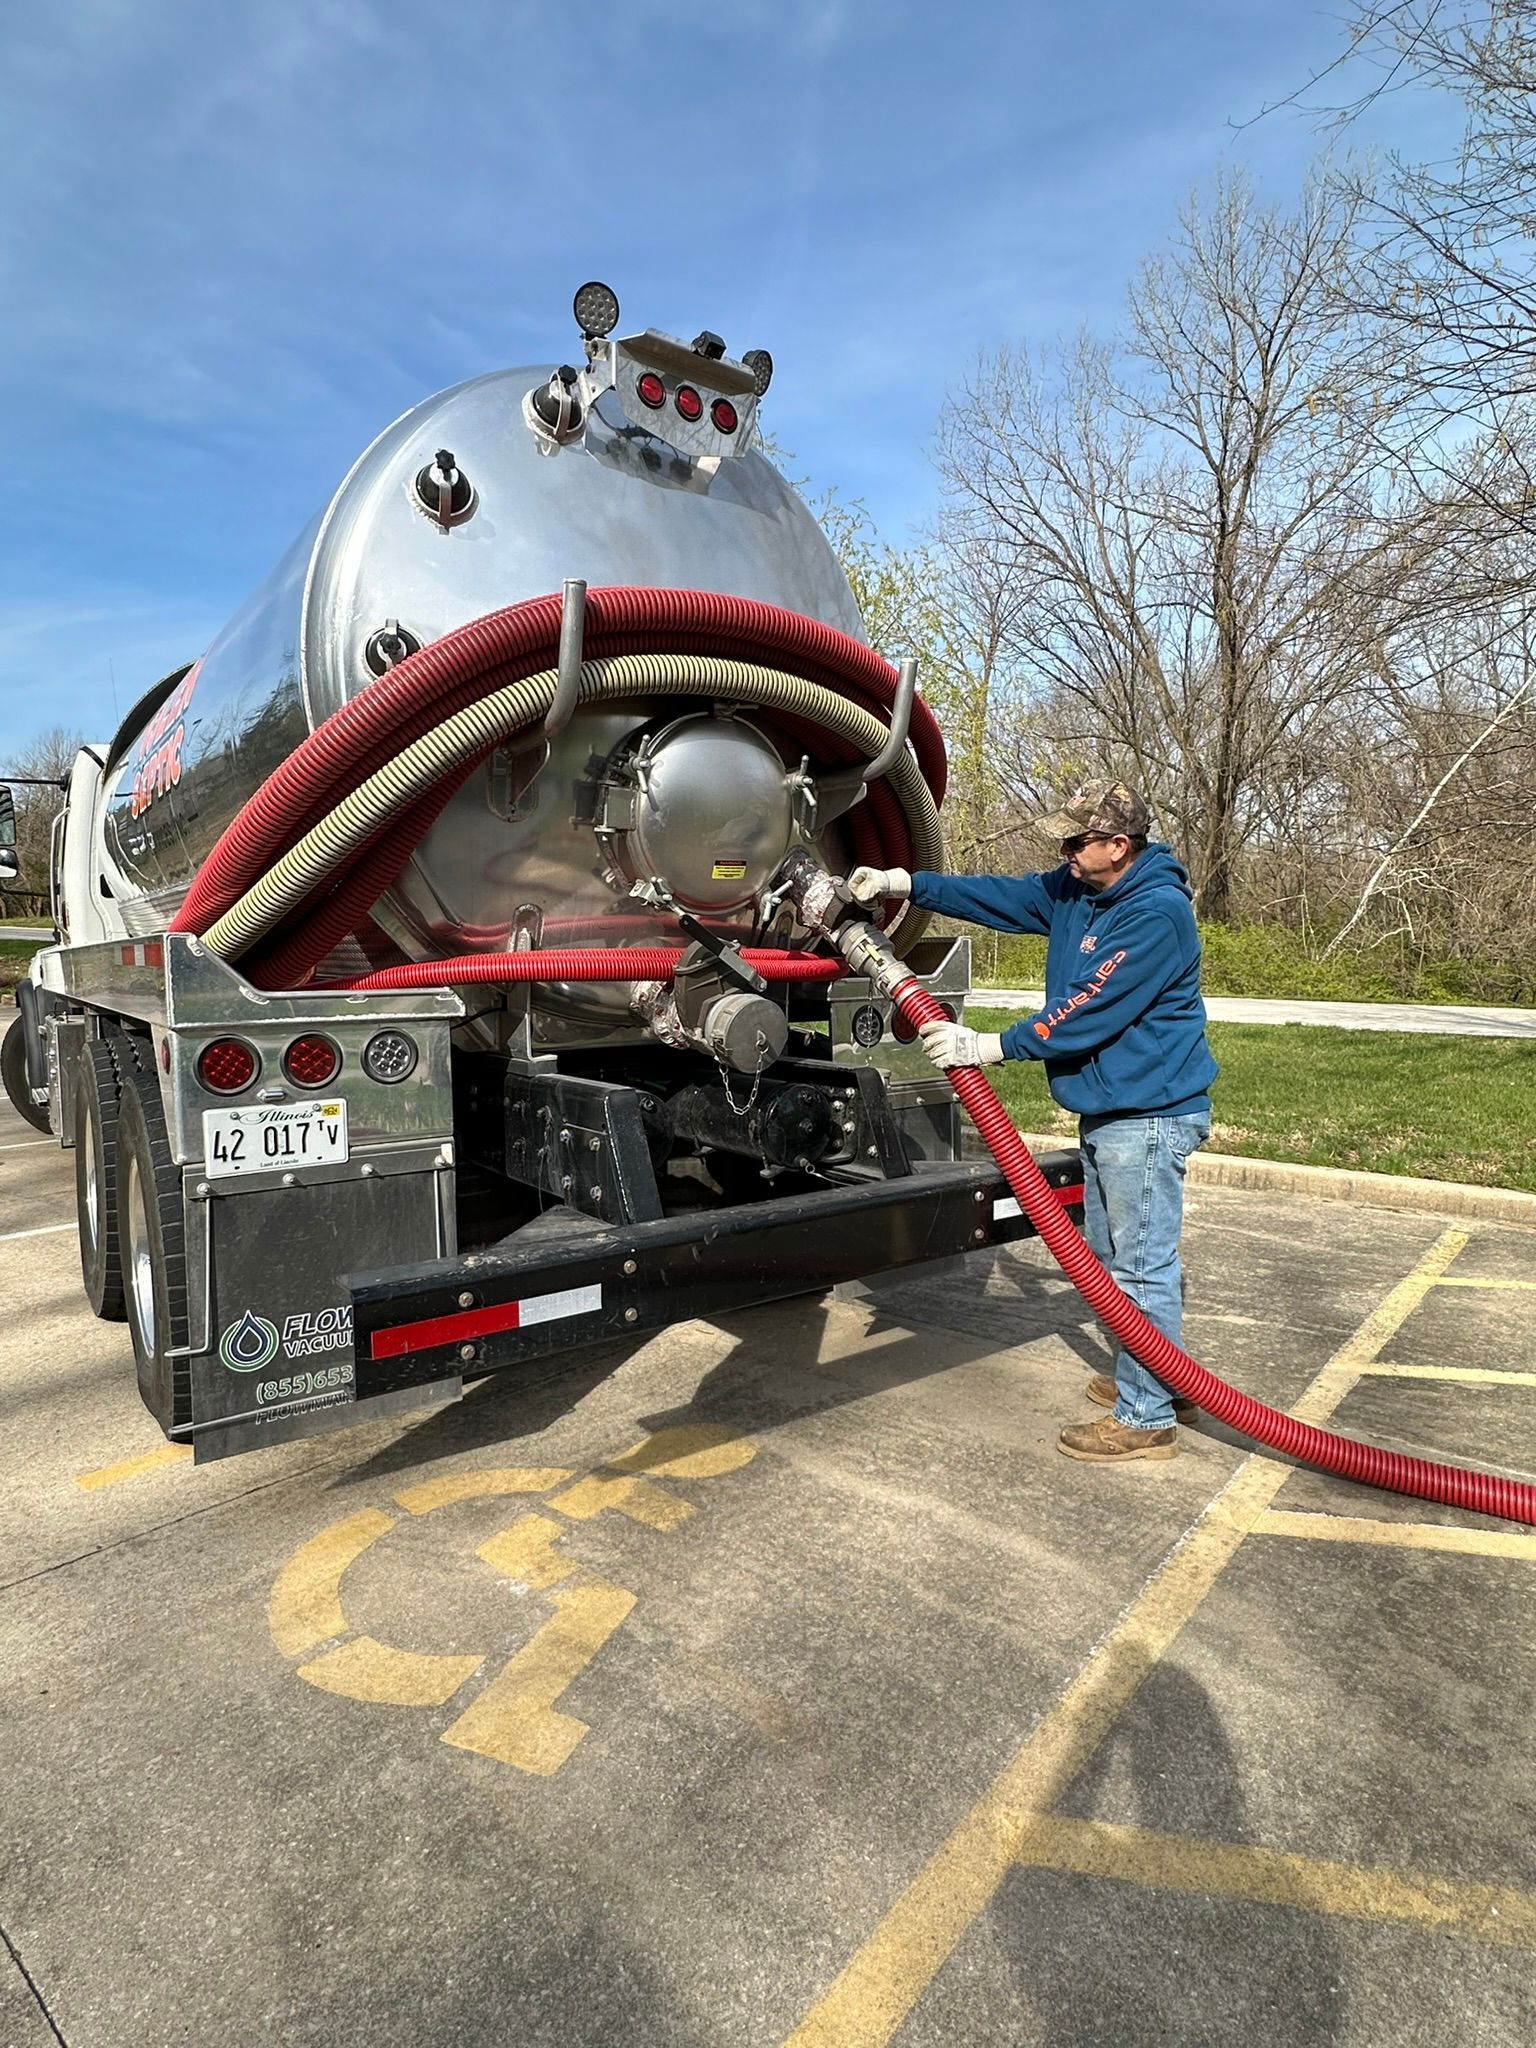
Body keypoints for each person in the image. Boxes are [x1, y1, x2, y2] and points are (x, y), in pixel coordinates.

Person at [848, 777, 1216, 1464]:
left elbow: (1090, 1006)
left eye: (1078, 842)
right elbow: (1002, 896)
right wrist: (904, 882)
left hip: (1150, 1115)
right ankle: (1160, 1380)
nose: (1066, 853)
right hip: (1113, 1111)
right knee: (1112, 1262)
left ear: (1119, 844)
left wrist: (987, 1046)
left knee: (1140, 1268)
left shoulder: (1157, 913)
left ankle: (1147, 1417)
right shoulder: (1079, 889)